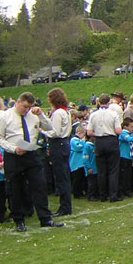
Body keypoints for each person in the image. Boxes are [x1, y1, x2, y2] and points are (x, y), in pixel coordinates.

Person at [0, 92, 64, 231]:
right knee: (15, 188)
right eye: (24, 106)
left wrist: (40, 114)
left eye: (29, 107)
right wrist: (13, 149)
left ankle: (45, 218)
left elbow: (50, 128)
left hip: (31, 153)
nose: (26, 110)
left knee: (40, 185)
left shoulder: (33, 115)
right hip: (13, 155)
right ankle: (19, 220)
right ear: (19, 102)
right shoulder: (5, 116)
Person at [87, 93, 123, 203]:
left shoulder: (93, 115)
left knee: (101, 170)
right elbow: (118, 131)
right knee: (113, 170)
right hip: (111, 140)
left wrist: (98, 133)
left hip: (99, 141)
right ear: (109, 103)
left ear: (98, 102)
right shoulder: (113, 114)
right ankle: (113, 195)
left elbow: (89, 132)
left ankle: (102, 195)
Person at [43, 88, 73, 216]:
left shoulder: (58, 113)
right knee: (64, 175)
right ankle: (66, 205)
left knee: (61, 177)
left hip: (58, 144)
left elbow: (55, 132)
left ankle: (65, 207)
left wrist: (42, 132)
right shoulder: (66, 112)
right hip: (65, 143)